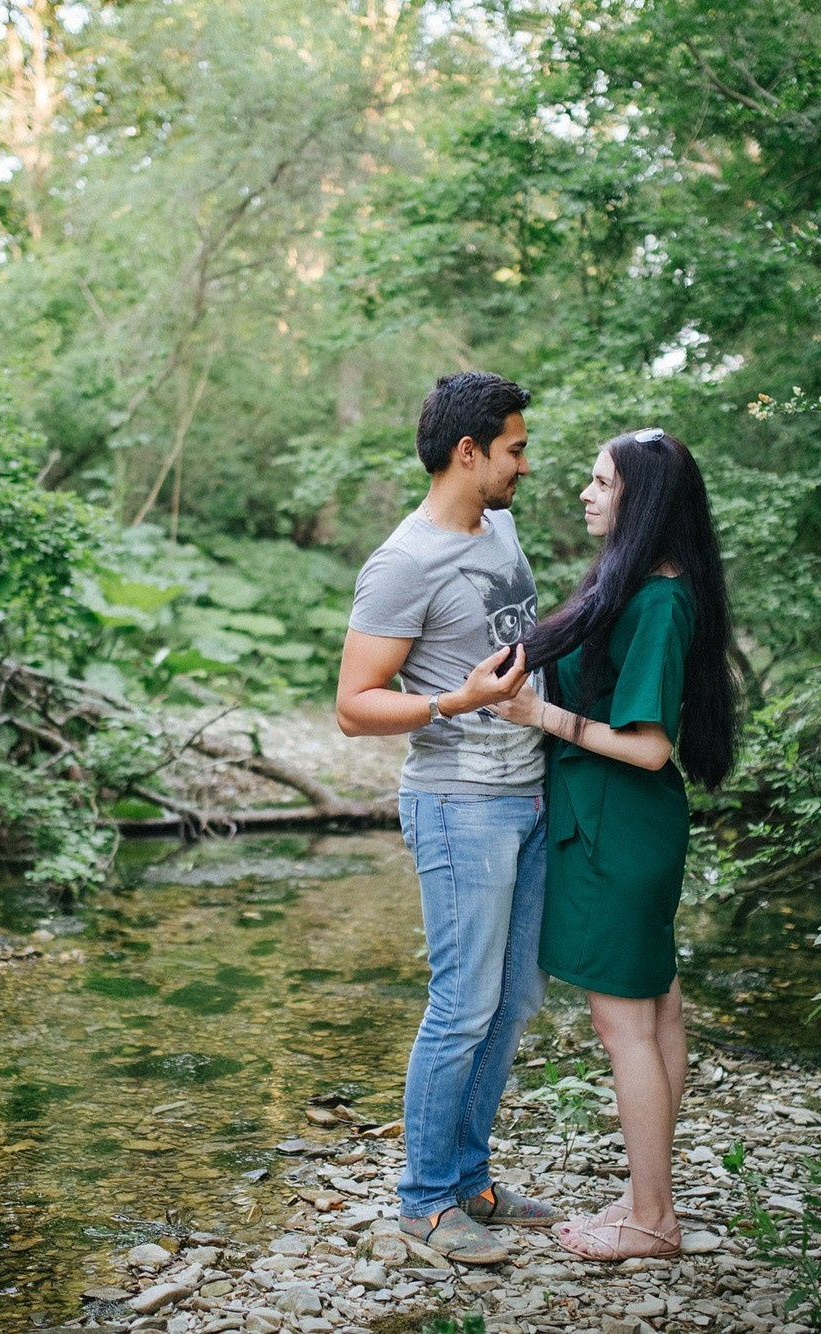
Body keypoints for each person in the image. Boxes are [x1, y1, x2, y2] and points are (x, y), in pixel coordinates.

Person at [492, 427, 739, 1261]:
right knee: (657, 1010)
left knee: (623, 1024)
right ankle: (647, 1199)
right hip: (623, 823)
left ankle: (652, 1222)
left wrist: (541, 716)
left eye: (602, 483)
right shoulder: (639, 583)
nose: (586, 494)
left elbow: (649, 747)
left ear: (645, 500)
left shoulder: (660, 600)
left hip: (618, 826)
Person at [336, 371, 562, 1265]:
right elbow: (354, 706)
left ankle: (471, 1181)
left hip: (529, 796)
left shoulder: (499, 526)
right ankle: (425, 1203)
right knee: (461, 1006)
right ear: (469, 452)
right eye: (514, 449)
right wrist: (452, 702)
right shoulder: (403, 563)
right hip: (458, 804)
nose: (524, 465)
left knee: (510, 1002)